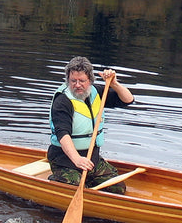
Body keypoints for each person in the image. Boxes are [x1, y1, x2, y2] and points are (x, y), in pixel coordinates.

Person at [47, 56, 134, 194]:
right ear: (67, 80)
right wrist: (77, 160)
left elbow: (128, 100)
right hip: (64, 160)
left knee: (118, 188)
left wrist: (114, 84)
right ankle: (55, 179)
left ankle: (87, 178)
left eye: (82, 81)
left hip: (91, 159)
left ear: (90, 81)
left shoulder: (97, 92)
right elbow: (62, 134)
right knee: (77, 189)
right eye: (73, 81)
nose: (77, 85)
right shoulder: (62, 101)